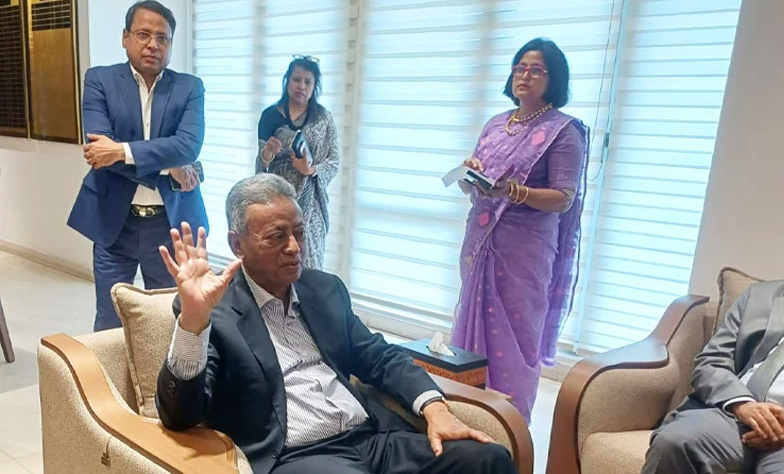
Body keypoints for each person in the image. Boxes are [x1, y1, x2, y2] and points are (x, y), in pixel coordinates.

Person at [155, 174, 515, 474]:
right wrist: (194, 320)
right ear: (238, 244)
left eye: (298, 232)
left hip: (373, 439)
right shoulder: (212, 312)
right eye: (277, 236)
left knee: (487, 459)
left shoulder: (323, 289)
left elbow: (379, 357)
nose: (294, 247)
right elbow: (180, 416)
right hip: (298, 455)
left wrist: (435, 408)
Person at [642, 209, 784, 474]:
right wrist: (743, 404)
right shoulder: (760, 296)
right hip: (736, 419)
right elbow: (711, 362)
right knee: (675, 441)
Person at [449, 38, 589, 423]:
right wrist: (470, 173)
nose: (525, 75)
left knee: (515, 336)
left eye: (536, 70)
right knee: (472, 326)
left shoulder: (563, 131)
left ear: (553, 78)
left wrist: (514, 192)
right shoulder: (496, 124)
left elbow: (563, 197)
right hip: (482, 240)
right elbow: (476, 188)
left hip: (524, 251)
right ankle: (467, 413)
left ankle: (508, 425)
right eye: (519, 68)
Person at [67, 0, 207, 331]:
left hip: (170, 224)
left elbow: (188, 146)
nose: (153, 44)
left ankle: (166, 369)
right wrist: (169, 166)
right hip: (114, 222)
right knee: (110, 317)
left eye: (163, 38)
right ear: (125, 37)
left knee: (168, 315)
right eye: (143, 34)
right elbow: (100, 154)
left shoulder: (189, 87)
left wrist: (121, 150)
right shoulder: (100, 80)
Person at [256, 55, 339, 269]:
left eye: (307, 82)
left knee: (309, 264)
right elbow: (261, 167)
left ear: (314, 87)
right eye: (296, 80)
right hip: (279, 198)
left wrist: (310, 170)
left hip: (311, 205)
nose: (301, 86)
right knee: (277, 259)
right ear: (287, 81)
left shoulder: (324, 119)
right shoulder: (270, 116)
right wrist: (267, 153)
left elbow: (334, 162)